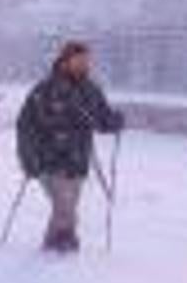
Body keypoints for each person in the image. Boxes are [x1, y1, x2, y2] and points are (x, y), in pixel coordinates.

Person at [16, 41, 125, 254]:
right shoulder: (45, 90)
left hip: (78, 160)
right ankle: (65, 244)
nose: (84, 64)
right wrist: (28, 159)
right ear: (65, 61)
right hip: (48, 159)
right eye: (79, 60)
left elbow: (102, 120)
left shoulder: (92, 90)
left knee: (67, 208)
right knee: (64, 207)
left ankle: (51, 248)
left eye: (86, 60)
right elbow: (25, 126)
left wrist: (115, 122)